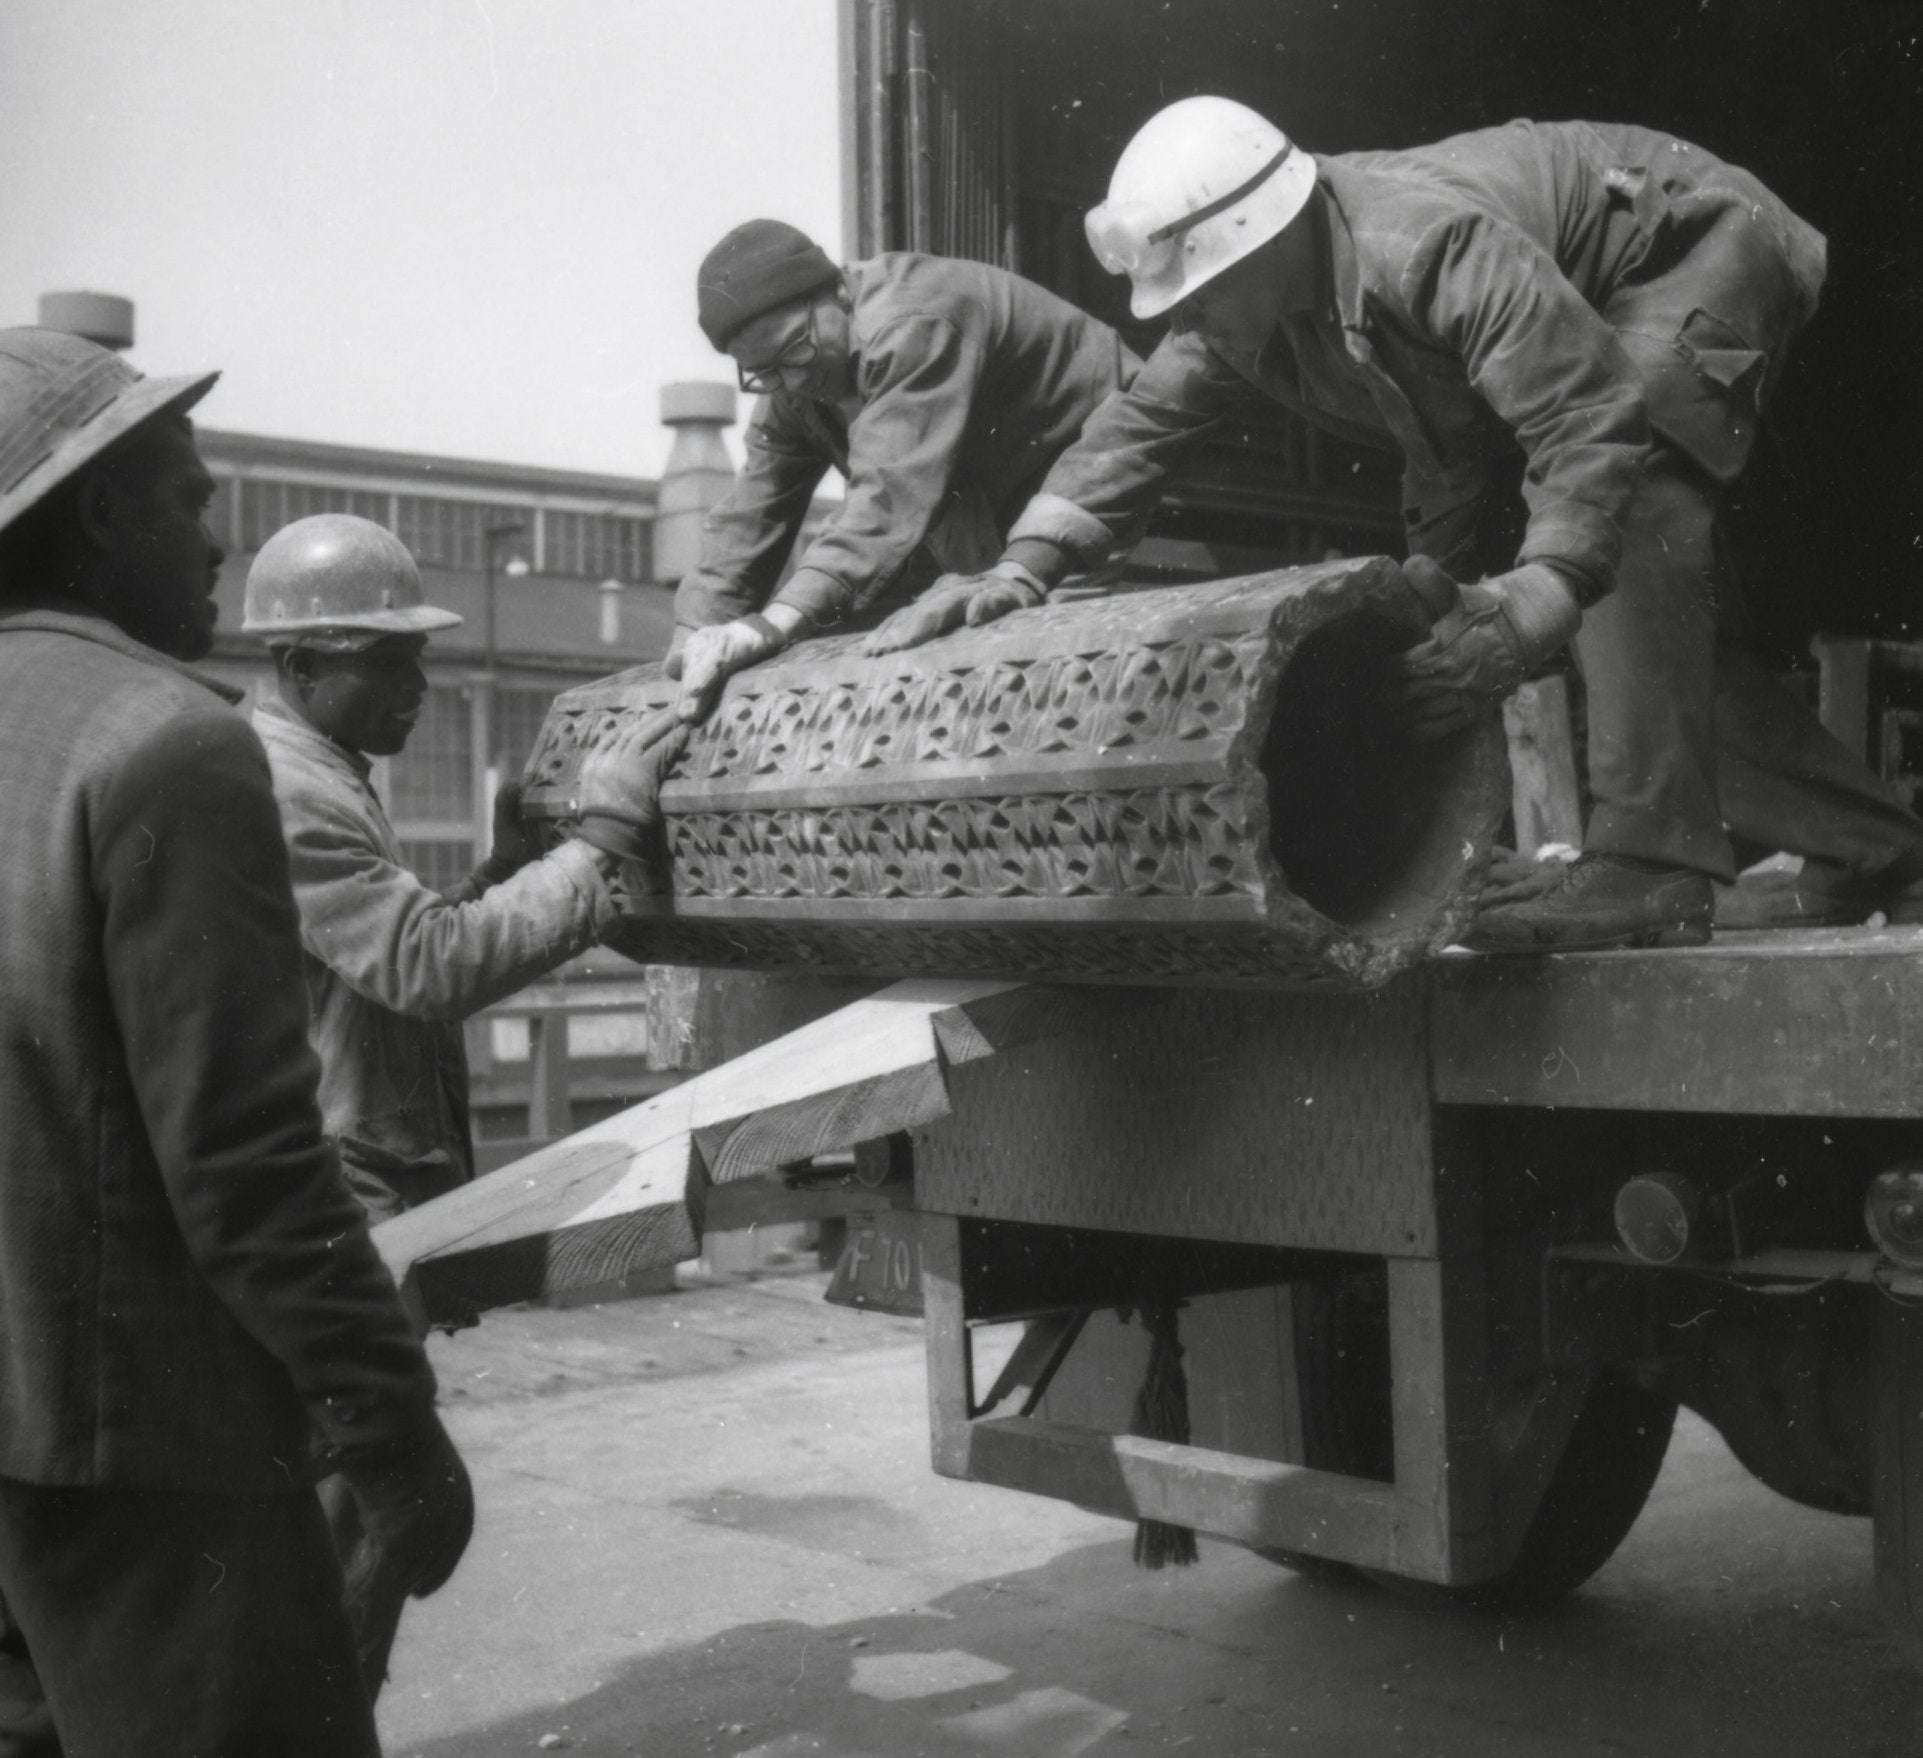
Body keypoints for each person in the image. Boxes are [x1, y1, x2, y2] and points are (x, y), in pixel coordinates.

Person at [904, 98, 1923, 950]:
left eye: (1197, 290)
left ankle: (1650, 867)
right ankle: (1876, 850)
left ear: (1260, 238)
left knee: (1634, 495)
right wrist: (1022, 568)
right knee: (1602, 614)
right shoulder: (1239, 311)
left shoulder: (1427, 245)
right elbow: (1136, 431)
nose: (1184, 315)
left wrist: (1538, 597)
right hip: (1579, 320)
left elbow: (1585, 411)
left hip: (1694, 244)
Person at [0, 327, 470, 1757]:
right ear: (101, 514)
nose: (217, 541)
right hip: (153, 1451)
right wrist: (391, 1428)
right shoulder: (170, 741)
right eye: (190, 498)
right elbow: (246, 1163)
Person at [244, 512, 685, 1219]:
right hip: (344, 1191)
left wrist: (503, 872)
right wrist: (601, 841)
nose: (418, 684)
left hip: (357, 1167)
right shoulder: (290, 792)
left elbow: (379, 952)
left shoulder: (319, 772)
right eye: (389, 661)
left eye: (416, 657)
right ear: (302, 666)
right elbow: (426, 966)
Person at [667, 218, 1143, 723]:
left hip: (1111, 464)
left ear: (838, 291)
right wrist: (690, 646)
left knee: (1054, 680)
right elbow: (751, 513)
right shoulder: (788, 381)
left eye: (795, 350)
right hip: (997, 498)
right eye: (763, 372)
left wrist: (771, 625)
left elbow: (887, 495)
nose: (793, 379)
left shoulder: (914, 318)